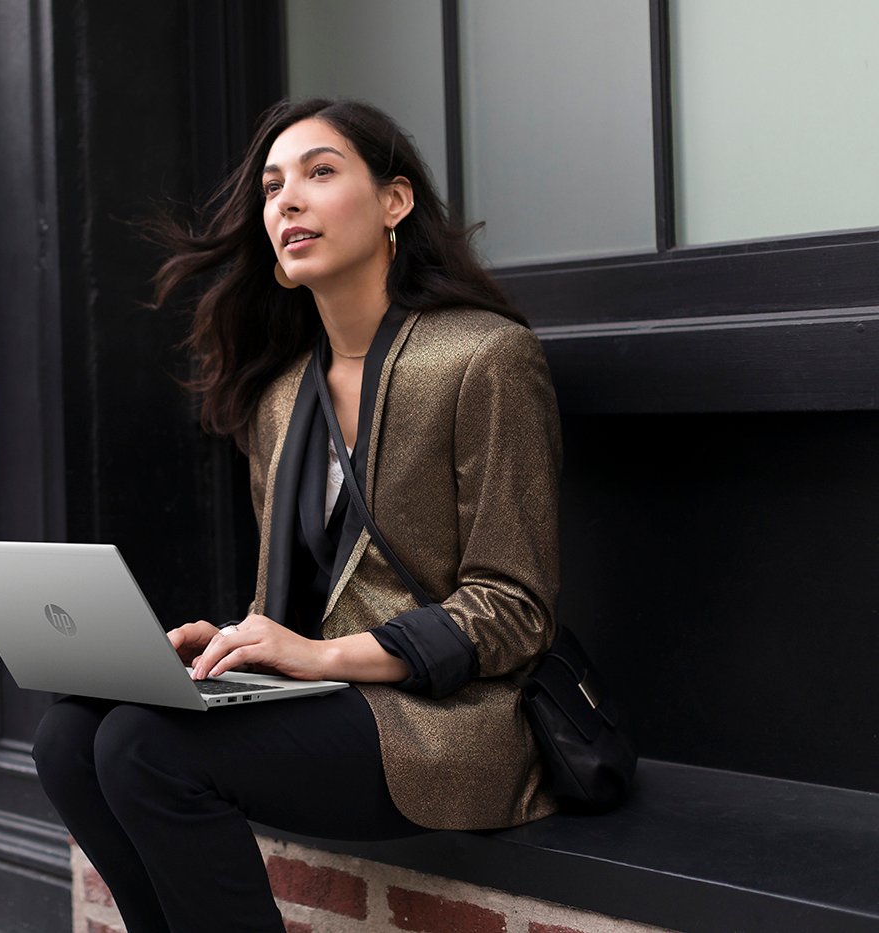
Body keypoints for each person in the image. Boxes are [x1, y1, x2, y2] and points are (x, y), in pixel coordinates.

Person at [32, 98, 562, 933]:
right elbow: (290, 604)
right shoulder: (281, 396)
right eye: (273, 186)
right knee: (70, 736)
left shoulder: (484, 357)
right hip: (323, 695)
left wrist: (317, 655)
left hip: (452, 721)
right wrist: (234, 643)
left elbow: (514, 609)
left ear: (394, 202)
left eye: (320, 172)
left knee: (142, 746)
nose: (286, 200)